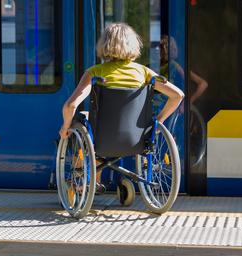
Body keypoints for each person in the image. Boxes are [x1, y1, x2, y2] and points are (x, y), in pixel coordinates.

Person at [59, 23, 184, 188]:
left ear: (105, 44)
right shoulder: (144, 73)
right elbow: (178, 95)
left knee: (79, 125)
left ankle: (84, 181)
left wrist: (65, 128)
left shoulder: (95, 72)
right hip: (137, 140)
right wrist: (158, 123)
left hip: (102, 140)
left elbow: (70, 106)